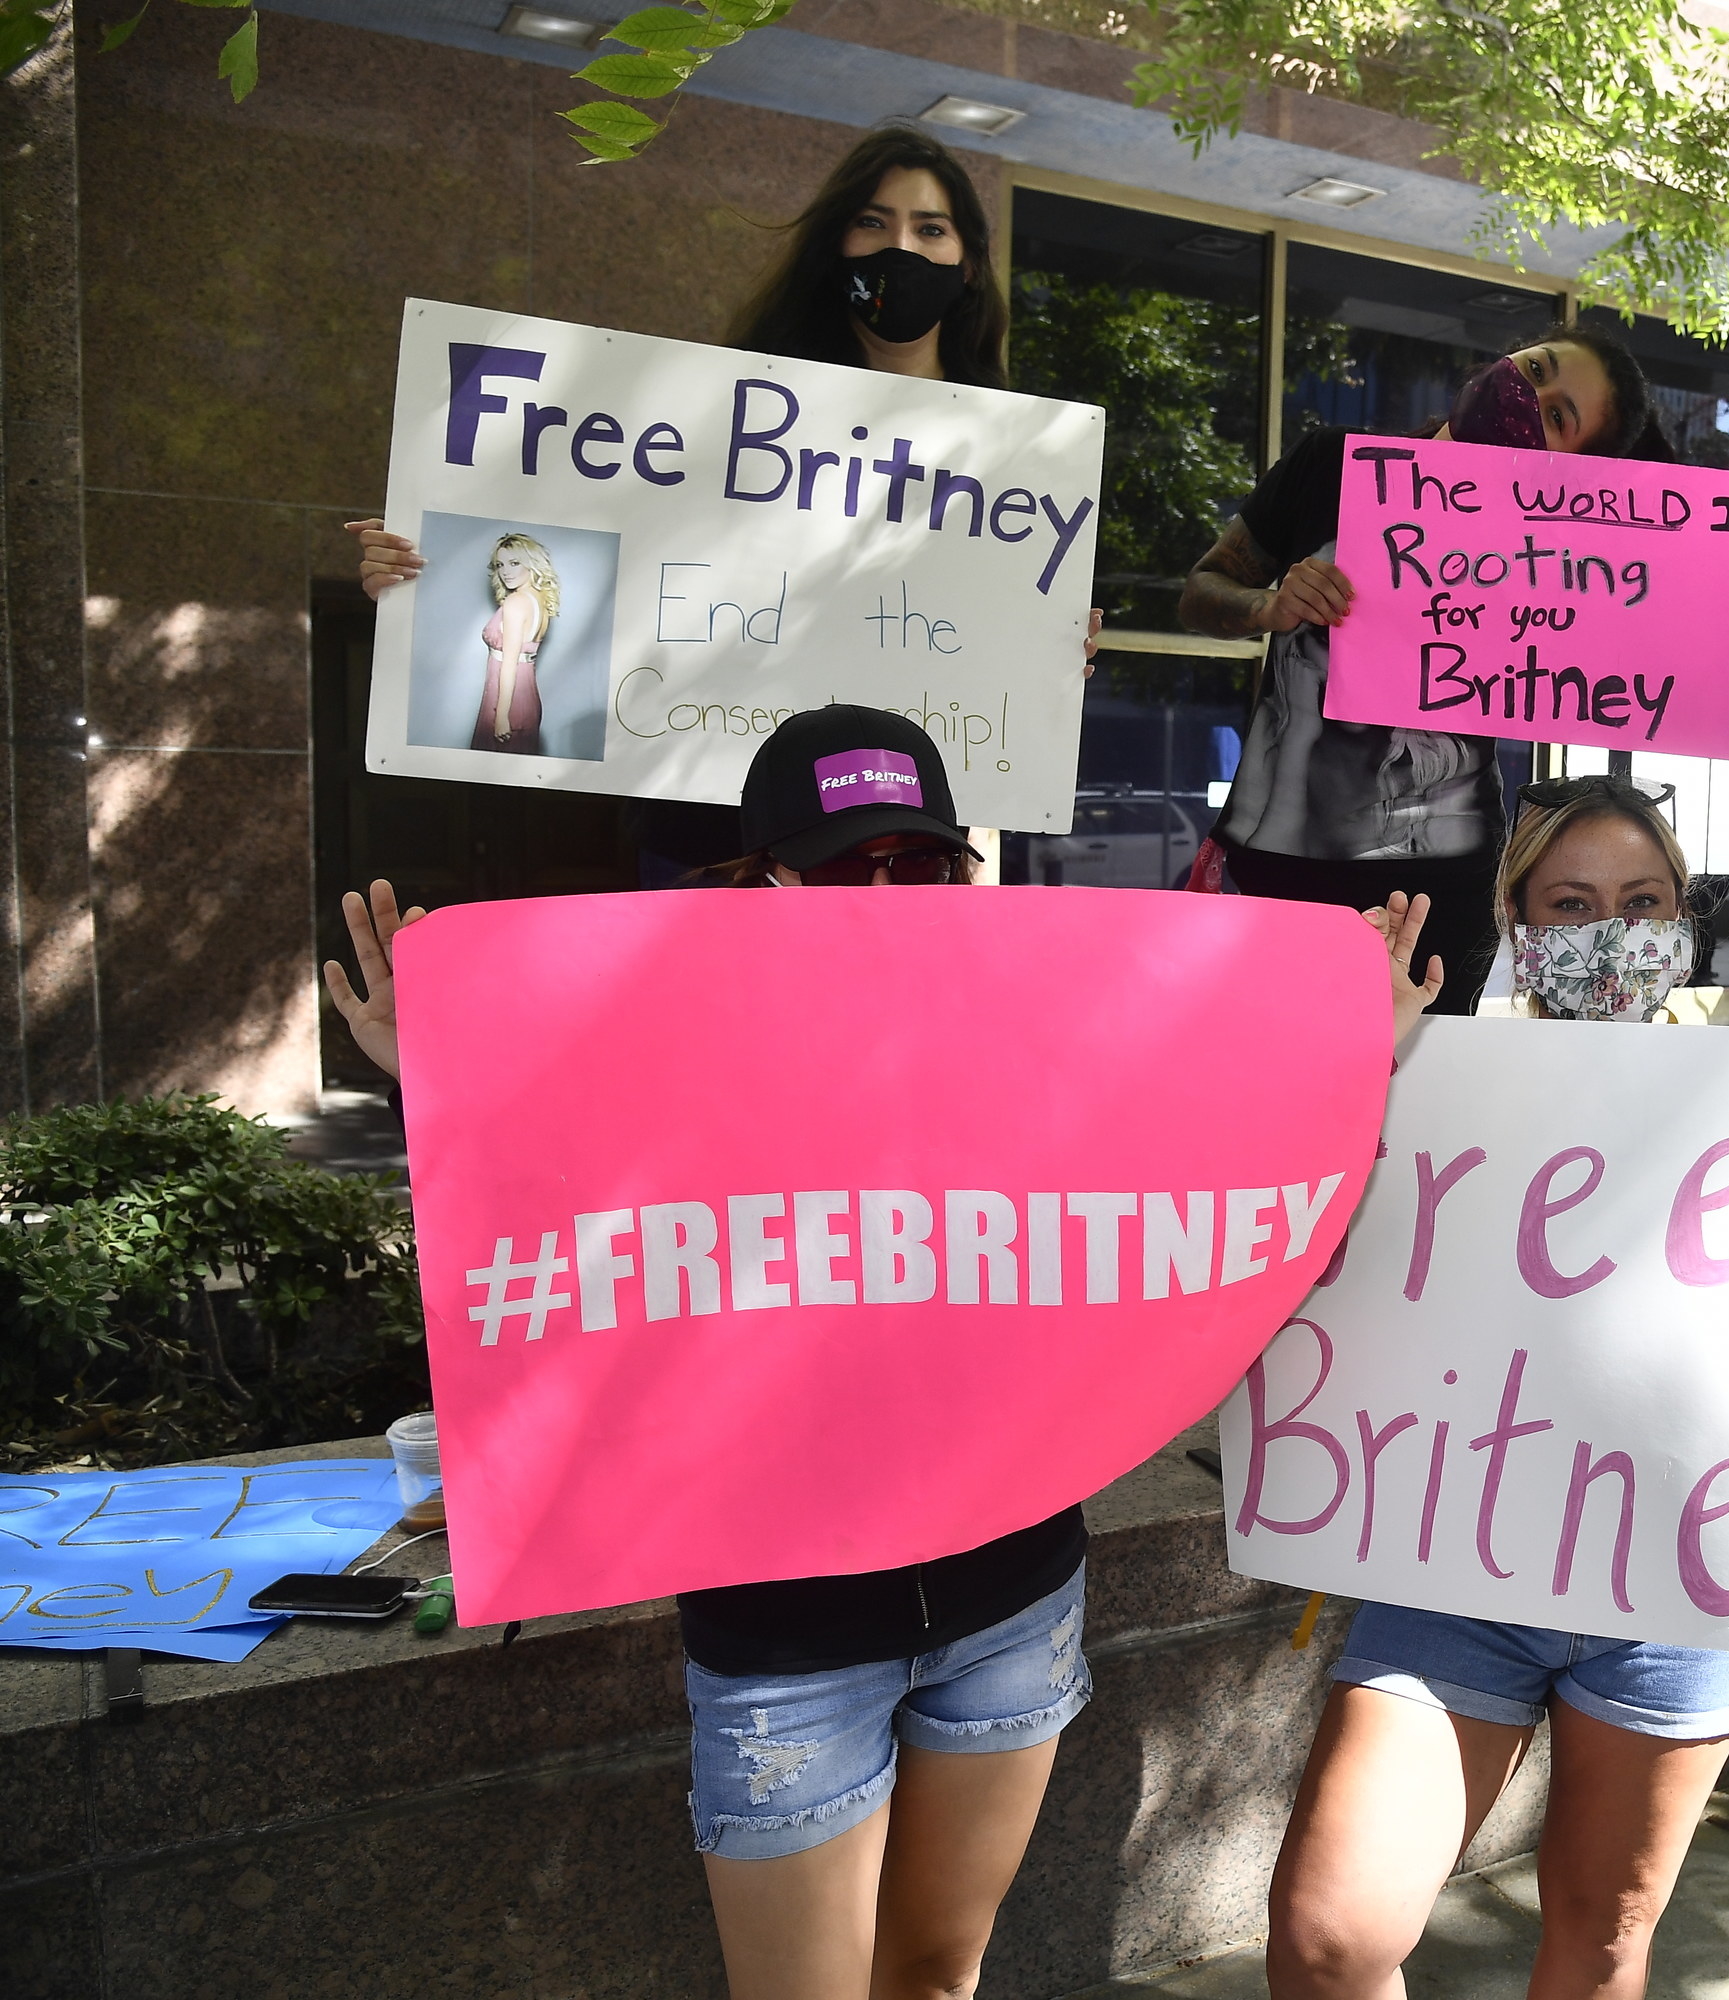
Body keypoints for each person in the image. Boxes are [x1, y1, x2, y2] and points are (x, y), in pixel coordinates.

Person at [323, 706, 1099, 2000]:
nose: (890, 897)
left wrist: (1352, 1042)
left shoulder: (1042, 1048)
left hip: (1015, 1607)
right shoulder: (660, 1070)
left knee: (939, 1977)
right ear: (762, 882)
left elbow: (1199, 1187)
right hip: (790, 1643)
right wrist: (442, 1075)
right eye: (853, 865)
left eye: (923, 864)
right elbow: (553, 1242)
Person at [1267, 772, 1729, 2000]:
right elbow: (1292, 1234)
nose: (1610, 931)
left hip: (1676, 1584)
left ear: (1684, 920)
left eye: (1642, 899)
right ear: (1517, 926)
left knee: (1604, 1943)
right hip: (1456, 1564)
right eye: (1571, 902)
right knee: (1329, 1935)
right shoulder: (1426, 1079)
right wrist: (1363, 1056)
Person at [346, 125, 1095, 878]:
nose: (900, 247)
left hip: (896, 848)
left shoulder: (1018, 462)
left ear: (967, 265)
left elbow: (991, 649)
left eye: (930, 228)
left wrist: (1054, 649)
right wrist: (430, 576)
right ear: (833, 249)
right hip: (714, 833)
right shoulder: (723, 418)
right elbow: (575, 555)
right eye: (873, 222)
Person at [1178, 336, 1729, 1014]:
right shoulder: (1331, 464)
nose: (1529, 396)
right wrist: (1267, 606)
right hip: (1271, 865)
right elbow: (1200, 590)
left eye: (1559, 416)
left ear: (1576, 474)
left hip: (1440, 894)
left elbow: (1648, 658)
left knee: (1407, 1108)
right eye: (1537, 370)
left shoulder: (1569, 554)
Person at [473, 533, 558, 754]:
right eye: (500, 565)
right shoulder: (537, 599)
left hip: (506, 699)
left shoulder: (516, 602)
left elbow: (509, 663)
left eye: (514, 563)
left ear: (531, 564)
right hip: (526, 694)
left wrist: (501, 717)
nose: (505, 572)